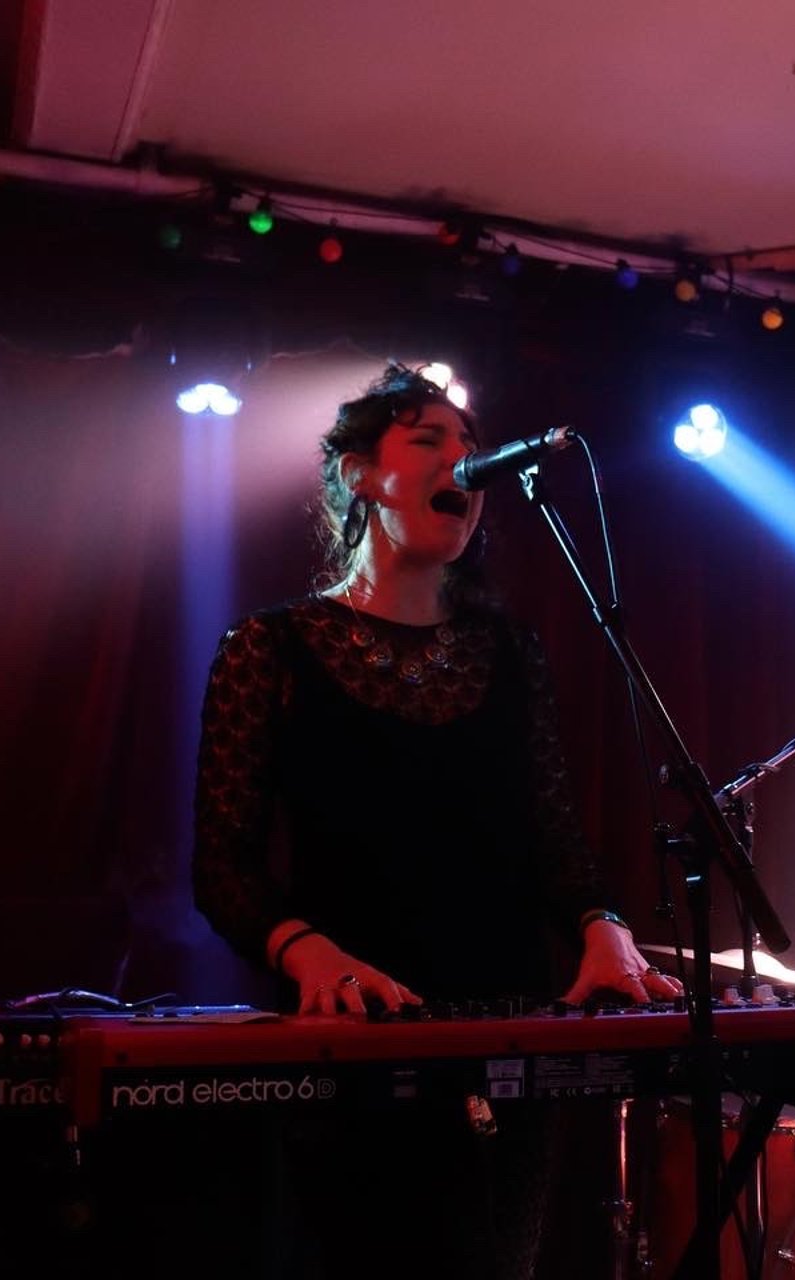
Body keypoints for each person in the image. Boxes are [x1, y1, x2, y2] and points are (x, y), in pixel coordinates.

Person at [191, 364, 681, 1278]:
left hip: (510, 1039)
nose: (466, 463)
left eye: (470, 448)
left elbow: (554, 829)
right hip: (354, 1045)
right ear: (357, 476)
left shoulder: (510, 651)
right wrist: (305, 949)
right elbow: (221, 862)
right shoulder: (271, 648)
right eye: (430, 441)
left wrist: (602, 924)